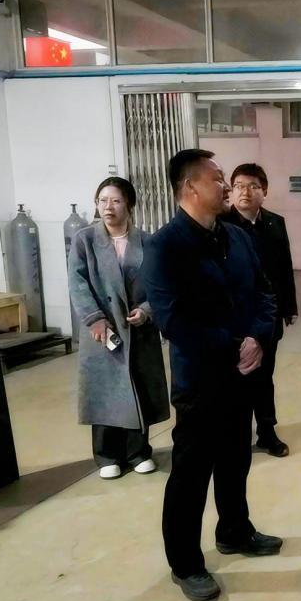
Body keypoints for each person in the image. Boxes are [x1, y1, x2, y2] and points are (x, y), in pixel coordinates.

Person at [143, 148, 282, 601]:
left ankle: (235, 531)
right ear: (190, 187)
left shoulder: (237, 237)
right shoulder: (165, 246)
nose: (226, 186)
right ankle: (185, 563)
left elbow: (265, 293)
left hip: (243, 373)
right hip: (201, 381)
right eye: (218, 178)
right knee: (191, 473)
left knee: (235, 459)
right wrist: (234, 345)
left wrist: (258, 337)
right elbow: (172, 320)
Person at [67, 177, 170, 479]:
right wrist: (95, 318)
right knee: (105, 392)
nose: (108, 207)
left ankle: (138, 452)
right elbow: (77, 283)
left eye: (115, 201)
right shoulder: (85, 240)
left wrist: (147, 310)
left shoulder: (147, 241)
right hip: (103, 330)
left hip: (138, 330)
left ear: (129, 204)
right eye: (102, 201)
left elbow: (161, 284)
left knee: (139, 387)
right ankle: (107, 455)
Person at [219, 163, 298, 458]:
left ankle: (267, 431)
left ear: (264, 191)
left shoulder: (275, 223)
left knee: (264, 376)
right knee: (235, 378)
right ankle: (234, 434)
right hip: (234, 318)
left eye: (253, 186)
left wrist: (289, 306)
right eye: (239, 185)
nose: (245, 192)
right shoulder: (221, 223)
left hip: (267, 315)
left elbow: (284, 267)